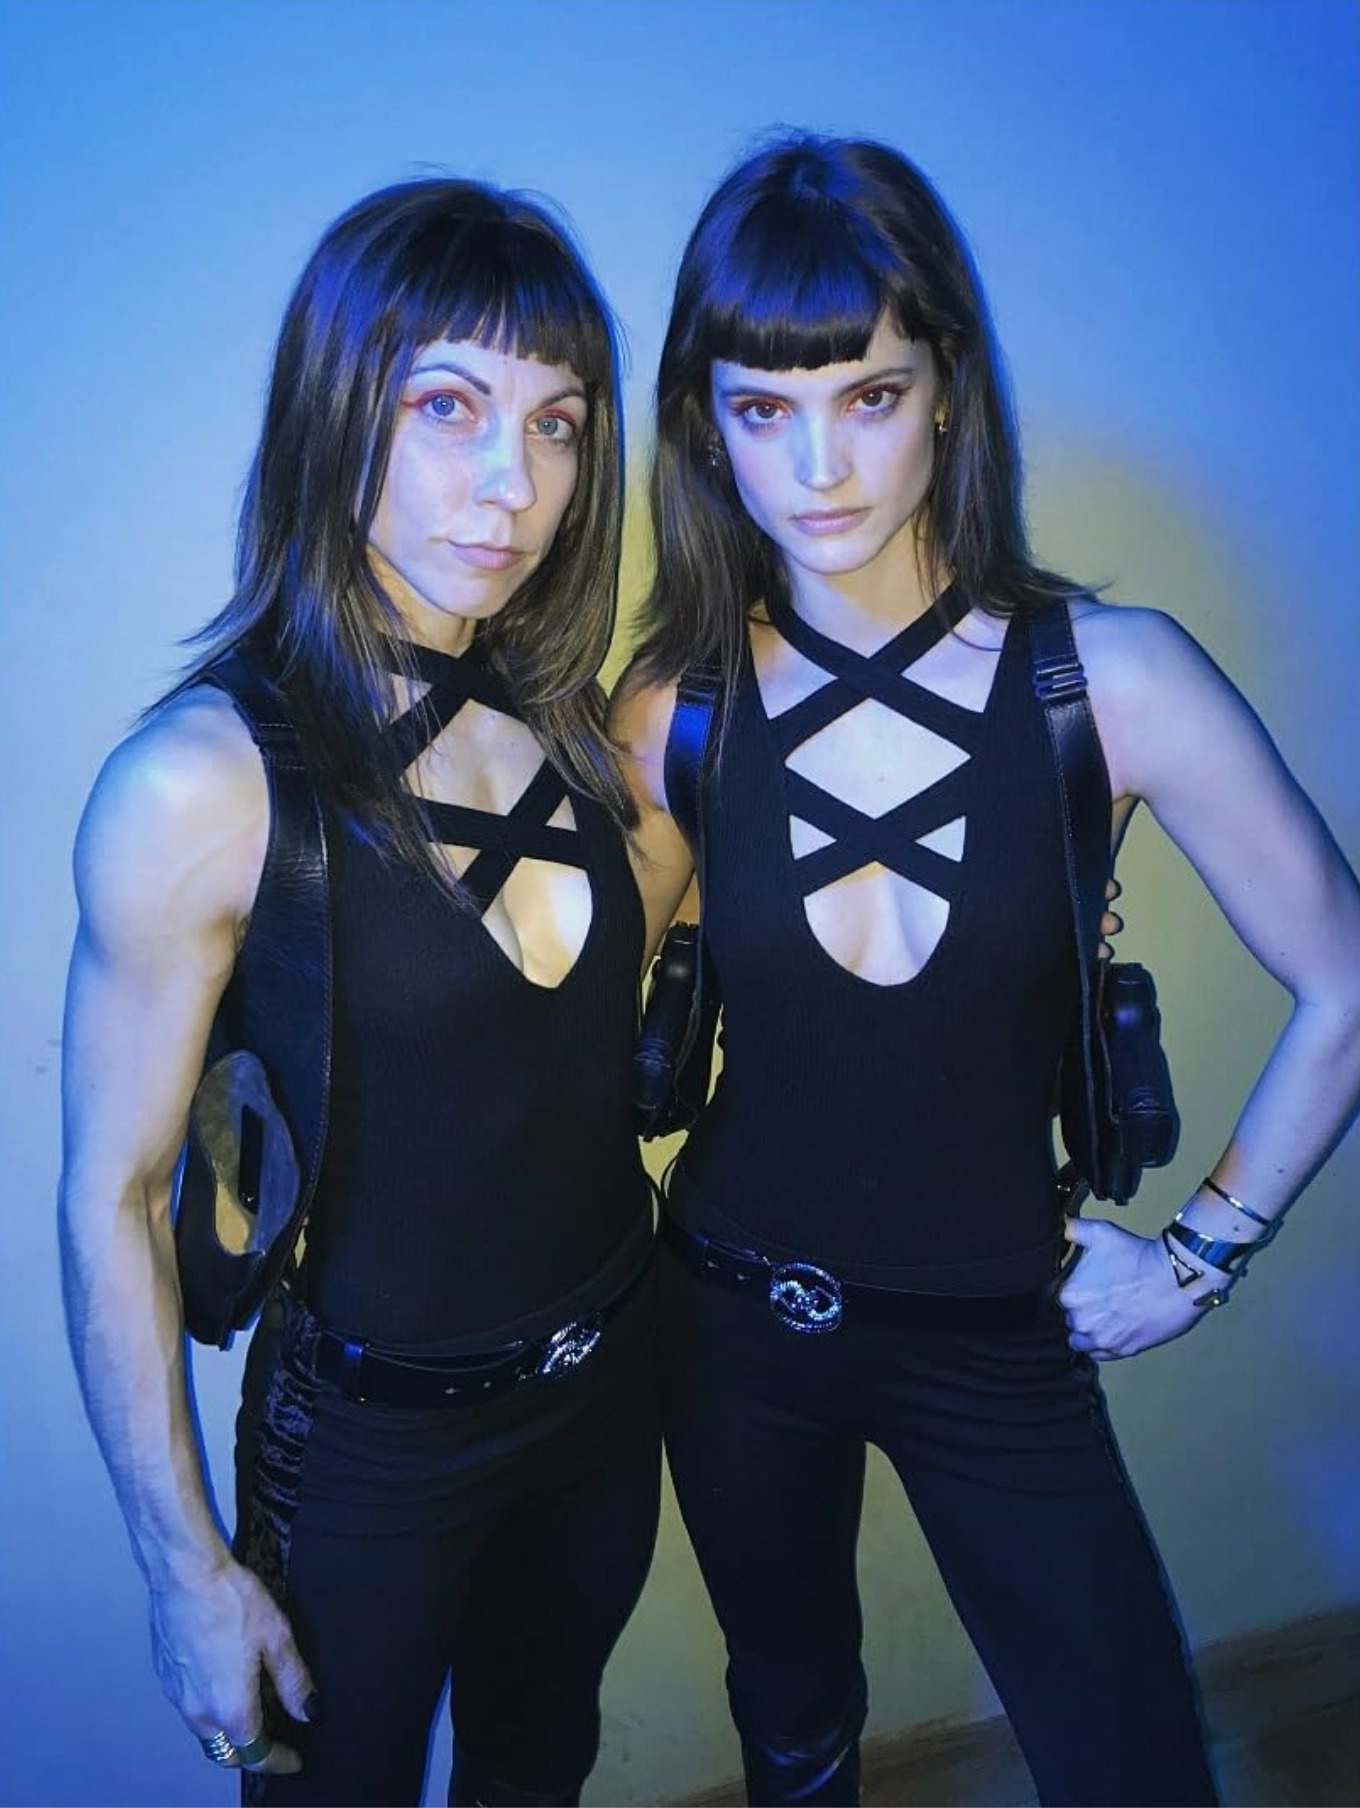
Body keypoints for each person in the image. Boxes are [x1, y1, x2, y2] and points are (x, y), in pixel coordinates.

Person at [614, 132, 1360, 1807]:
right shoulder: (676, 714)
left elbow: (1349, 981)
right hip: (732, 1328)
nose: (818, 466)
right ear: (706, 425)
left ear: (947, 389)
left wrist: (1205, 1252)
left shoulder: (1111, 683)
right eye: (763, 409)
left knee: (1134, 1760)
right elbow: (550, 1031)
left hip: (999, 1339)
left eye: (868, 396)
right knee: (794, 1729)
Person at [58, 178, 660, 1807]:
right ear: (336, 411)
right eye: (447, 406)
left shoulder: (574, 725)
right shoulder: (199, 783)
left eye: (556, 423)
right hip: (373, 1458)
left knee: (541, 1769)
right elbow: (112, 1197)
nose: (512, 483)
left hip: (611, 1393)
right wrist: (184, 1571)